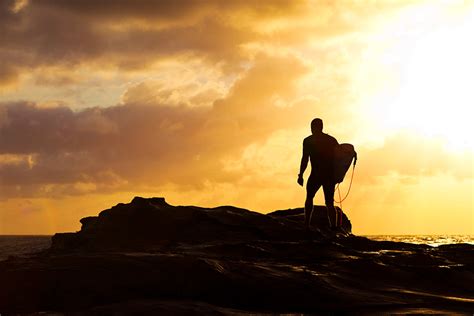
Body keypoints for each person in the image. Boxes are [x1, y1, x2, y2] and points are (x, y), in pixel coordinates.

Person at [298, 118, 339, 230]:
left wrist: (301, 175)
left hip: (321, 175)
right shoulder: (329, 140)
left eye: (313, 127)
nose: (312, 129)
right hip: (324, 175)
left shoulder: (309, 141)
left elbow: (305, 159)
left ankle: (330, 226)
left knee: (323, 201)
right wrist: (300, 174)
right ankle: (309, 224)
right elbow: (305, 159)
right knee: (319, 200)